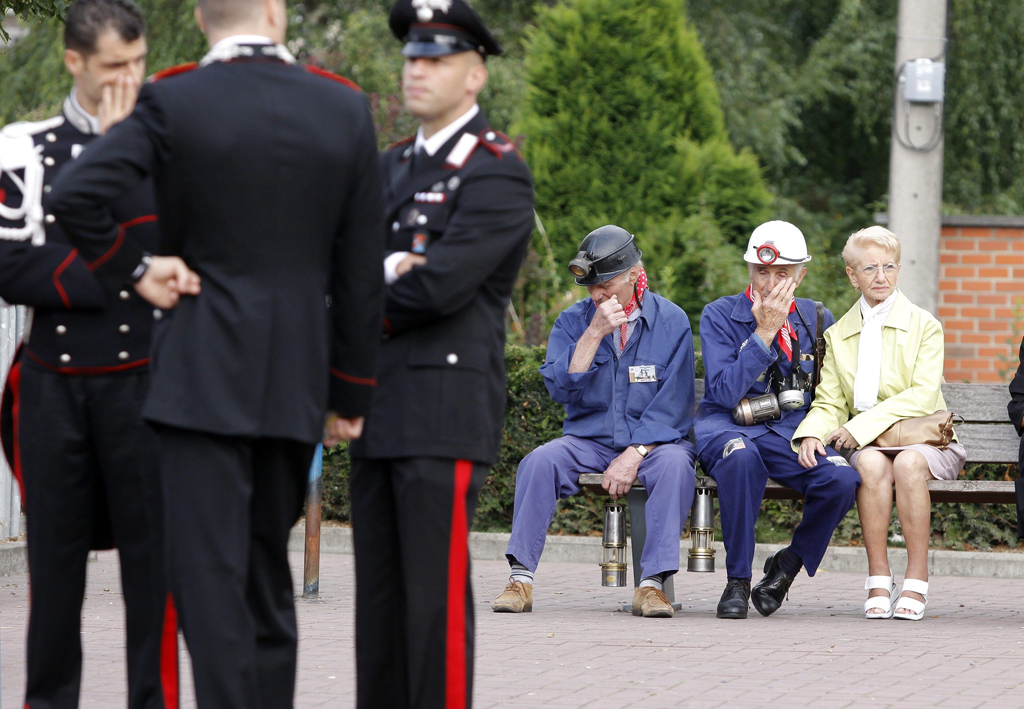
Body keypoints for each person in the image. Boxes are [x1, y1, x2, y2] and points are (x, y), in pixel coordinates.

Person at [47, 0, 386, 705]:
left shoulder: (172, 99)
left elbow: (77, 194)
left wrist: (137, 270)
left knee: (208, 582)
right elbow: (360, 272)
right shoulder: (344, 108)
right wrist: (349, 391)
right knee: (268, 578)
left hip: (198, 375)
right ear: (275, 12)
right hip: (293, 379)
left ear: (202, 19)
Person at [346, 1, 534, 706]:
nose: (417, 69)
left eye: (437, 58)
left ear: (476, 74)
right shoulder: (389, 164)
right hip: (376, 404)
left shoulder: (495, 171)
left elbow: (437, 289)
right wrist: (389, 271)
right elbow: (349, 271)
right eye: (411, 57)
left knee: (434, 605)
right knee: (380, 608)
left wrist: (381, 274)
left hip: (442, 410)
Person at [0, 1, 178, 706]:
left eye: (138, 63)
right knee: (54, 576)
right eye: (113, 66)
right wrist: (129, 273)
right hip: (54, 388)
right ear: (75, 62)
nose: (129, 80)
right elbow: (11, 267)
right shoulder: (23, 144)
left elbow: (182, 254)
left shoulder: (167, 147)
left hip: (147, 385)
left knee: (154, 576)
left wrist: (120, 156)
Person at [492, 225, 697, 619]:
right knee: (539, 461)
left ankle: (652, 587)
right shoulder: (575, 321)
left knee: (675, 466)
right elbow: (559, 389)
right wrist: (594, 332)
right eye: (591, 286)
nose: (597, 294)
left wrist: (634, 454)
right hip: (589, 440)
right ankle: (520, 581)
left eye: (606, 284)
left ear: (634, 275)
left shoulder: (672, 321)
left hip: (653, 445)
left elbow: (674, 405)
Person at [795, 226, 964, 620]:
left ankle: (916, 579)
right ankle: (877, 577)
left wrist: (860, 427)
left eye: (889, 267)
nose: (881, 277)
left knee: (906, 463)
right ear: (853, 276)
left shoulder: (925, 325)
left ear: (898, 270)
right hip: (871, 445)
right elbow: (830, 402)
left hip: (927, 442)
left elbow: (923, 395)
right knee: (870, 463)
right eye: (870, 268)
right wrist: (810, 433)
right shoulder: (838, 336)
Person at [695, 220, 860, 619]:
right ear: (750, 270)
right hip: (727, 427)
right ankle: (737, 581)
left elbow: (831, 392)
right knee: (741, 458)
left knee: (842, 479)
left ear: (800, 276)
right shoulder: (719, 314)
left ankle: (787, 566)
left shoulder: (816, 317)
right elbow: (720, 393)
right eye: (762, 271)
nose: (769, 283)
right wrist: (765, 331)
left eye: (782, 274)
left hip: (791, 432)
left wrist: (815, 432)